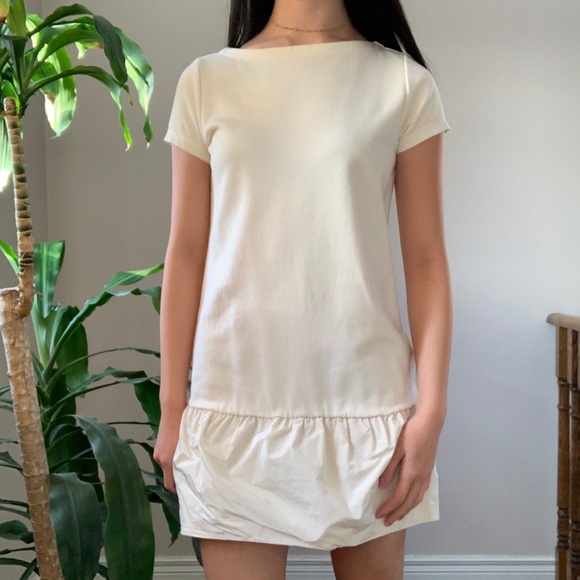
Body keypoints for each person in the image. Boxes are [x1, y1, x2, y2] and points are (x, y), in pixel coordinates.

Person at [153, 0, 452, 578]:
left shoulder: (403, 84)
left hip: (365, 410)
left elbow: (426, 260)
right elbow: (186, 252)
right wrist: (173, 408)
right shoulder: (207, 81)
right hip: (234, 409)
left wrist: (432, 410)